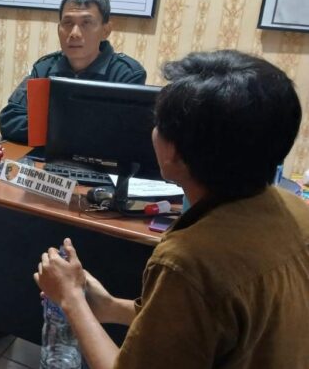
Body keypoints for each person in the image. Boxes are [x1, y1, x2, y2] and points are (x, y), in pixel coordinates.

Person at [34, 50, 309, 368]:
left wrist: (70, 299)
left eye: (157, 124)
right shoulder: (296, 210)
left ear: (173, 152)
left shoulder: (190, 262)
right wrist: (109, 306)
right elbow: (205, 322)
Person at [0, 0, 146, 143]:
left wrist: (53, 128)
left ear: (106, 30)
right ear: (59, 29)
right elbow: (10, 119)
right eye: (68, 23)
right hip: (45, 157)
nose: (74, 33)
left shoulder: (126, 74)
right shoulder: (44, 68)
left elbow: (126, 137)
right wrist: (78, 129)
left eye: (86, 23)